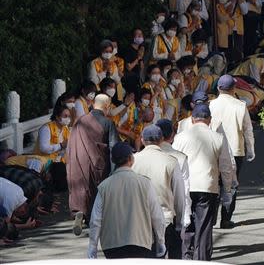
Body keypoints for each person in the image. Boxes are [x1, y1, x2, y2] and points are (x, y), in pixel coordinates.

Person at [173, 104, 235, 261]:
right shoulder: (218, 138)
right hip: (207, 186)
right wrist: (227, 189)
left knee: (186, 222)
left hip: (185, 185)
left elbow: (174, 163)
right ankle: (202, 259)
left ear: (192, 119)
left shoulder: (180, 138)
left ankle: (185, 256)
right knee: (204, 226)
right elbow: (226, 166)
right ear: (210, 120)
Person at [87, 142, 166, 259]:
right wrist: (160, 242)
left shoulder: (104, 186)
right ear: (131, 159)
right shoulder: (145, 184)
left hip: (112, 246)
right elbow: (157, 217)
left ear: (113, 160)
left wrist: (92, 247)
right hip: (140, 243)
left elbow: (96, 220)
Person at [66, 94, 119, 236]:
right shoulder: (108, 123)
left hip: (78, 162)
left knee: (82, 189)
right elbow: (115, 148)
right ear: (107, 106)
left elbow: (70, 146)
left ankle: (80, 213)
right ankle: (94, 220)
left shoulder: (79, 122)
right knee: (97, 191)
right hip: (98, 163)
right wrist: (115, 171)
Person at [133, 125, 188, 259]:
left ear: (142, 140)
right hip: (165, 219)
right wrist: (180, 221)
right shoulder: (171, 162)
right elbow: (180, 195)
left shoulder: (132, 160)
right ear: (161, 139)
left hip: (137, 219)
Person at [210, 75, 255, 228]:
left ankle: (211, 217)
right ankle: (226, 218)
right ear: (234, 89)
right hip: (235, 150)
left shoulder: (211, 105)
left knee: (214, 183)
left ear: (218, 88)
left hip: (214, 149)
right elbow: (248, 130)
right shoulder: (240, 106)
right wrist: (251, 149)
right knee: (231, 185)